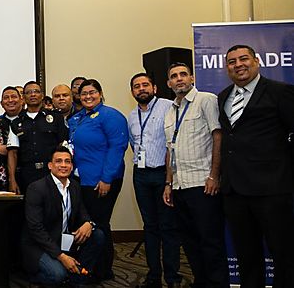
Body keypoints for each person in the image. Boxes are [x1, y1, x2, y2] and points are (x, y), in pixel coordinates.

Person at [218, 45, 294, 287]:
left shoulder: (280, 92)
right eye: (232, 61)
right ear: (226, 68)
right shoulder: (223, 96)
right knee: (246, 254)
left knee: (283, 253)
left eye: (243, 59)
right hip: (235, 191)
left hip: (272, 189)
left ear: (256, 61)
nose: (238, 64)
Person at [162, 63, 228, 287]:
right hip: (180, 187)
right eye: (174, 76)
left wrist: (214, 176)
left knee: (211, 242)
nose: (179, 79)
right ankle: (202, 282)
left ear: (192, 78)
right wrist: (168, 183)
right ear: (168, 83)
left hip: (203, 184)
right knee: (190, 243)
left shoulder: (206, 100)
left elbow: (218, 137)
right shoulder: (171, 111)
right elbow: (170, 149)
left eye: (183, 74)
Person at [67, 79, 128, 281]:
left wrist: (106, 178)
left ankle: (103, 270)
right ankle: (91, 266)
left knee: (99, 225)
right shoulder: (78, 118)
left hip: (102, 181)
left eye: (92, 92)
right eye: (84, 93)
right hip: (82, 181)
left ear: (100, 93)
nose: (87, 96)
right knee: (89, 224)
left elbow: (117, 148)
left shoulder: (110, 116)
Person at [126, 73, 181, 288]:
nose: (141, 89)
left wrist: (169, 179)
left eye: (145, 85)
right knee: (149, 227)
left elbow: (173, 143)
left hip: (163, 175)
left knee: (168, 227)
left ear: (155, 88)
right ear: (132, 92)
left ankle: (173, 277)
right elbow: (134, 144)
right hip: (141, 175)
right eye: (136, 86)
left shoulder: (169, 107)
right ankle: (153, 276)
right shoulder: (131, 116)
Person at [22, 146, 104, 287]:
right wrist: (62, 256)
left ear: (72, 166)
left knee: (98, 235)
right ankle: (34, 276)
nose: (63, 165)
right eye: (58, 161)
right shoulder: (37, 188)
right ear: (50, 165)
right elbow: (36, 229)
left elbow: (82, 212)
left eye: (67, 161)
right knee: (57, 275)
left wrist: (88, 223)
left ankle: (77, 280)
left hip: (62, 239)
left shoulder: (74, 186)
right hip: (40, 244)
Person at [7, 81, 68, 194]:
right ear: (23, 98)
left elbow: (64, 146)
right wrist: (12, 180)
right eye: (29, 92)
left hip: (51, 173)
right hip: (26, 175)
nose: (33, 94)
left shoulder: (56, 118)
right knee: (30, 209)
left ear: (42, 95)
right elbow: (12, 153)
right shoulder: (16, 123)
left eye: (36, 91)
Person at [0, 86, 23, 193]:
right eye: (6, 98)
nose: (10, 100)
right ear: (1, 103)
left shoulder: (29, 120)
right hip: (1, 177)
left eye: (13, 97)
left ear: (21, 100)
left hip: (26, 173)